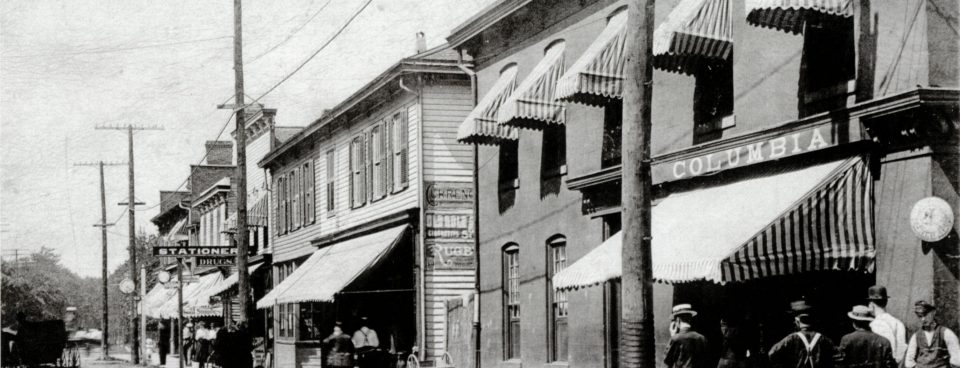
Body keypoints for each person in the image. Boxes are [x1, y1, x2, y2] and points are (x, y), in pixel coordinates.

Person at [768, 300, 836, 368]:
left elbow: (772, 354)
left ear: (797, 321)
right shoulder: (824, 339)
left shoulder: (791, 338)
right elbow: (838, 356)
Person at [905, 301, 960, 368]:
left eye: (925, 315)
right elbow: (909, 361)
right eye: (920, 316)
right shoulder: (916, 336)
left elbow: (957, 360)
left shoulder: (946, 333)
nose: (923, 319)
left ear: (933, 312)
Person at [866, 286, 907, 364]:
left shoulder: (874, 324)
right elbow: (902, 350)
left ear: (871, 304)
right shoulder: (898, 323)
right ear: (886, 302)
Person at [665, 304, 710, 368]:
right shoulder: (702, 338)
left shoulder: (675, 339)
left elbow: (667, 361)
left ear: (677, 320)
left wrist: (672, 336)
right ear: (690, 319)